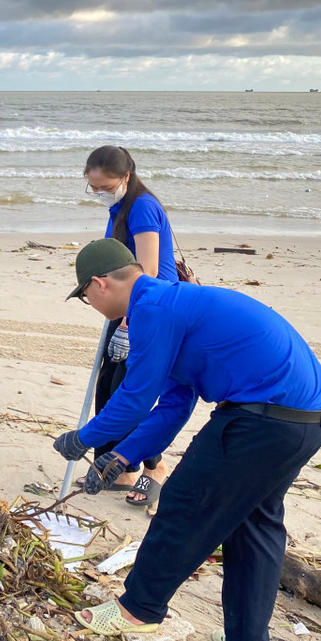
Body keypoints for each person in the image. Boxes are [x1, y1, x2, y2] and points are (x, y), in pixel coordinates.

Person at [53, 239, 321, 641]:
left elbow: (134, 396)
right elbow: (175, 402)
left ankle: (138, 610)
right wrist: (123, 455)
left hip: (263, 419)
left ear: (99, 283)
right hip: (308, 418)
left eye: (84, 295)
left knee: (185, 502)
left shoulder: (152, 311)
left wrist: (84, 438)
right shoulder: (168, 301)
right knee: (253, 526)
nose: (88, 303)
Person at [83, 145, 178, 507]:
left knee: (129, 390)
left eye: (105, 185)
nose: (99, 192)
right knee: (108, 386)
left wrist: (125, 325)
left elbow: (149, 271)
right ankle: (121, 469)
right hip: (125, 306)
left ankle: (155, 467)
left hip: (151, 310)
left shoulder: (143, 207)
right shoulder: (120, 206)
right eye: (93, 186)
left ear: (126, 177)